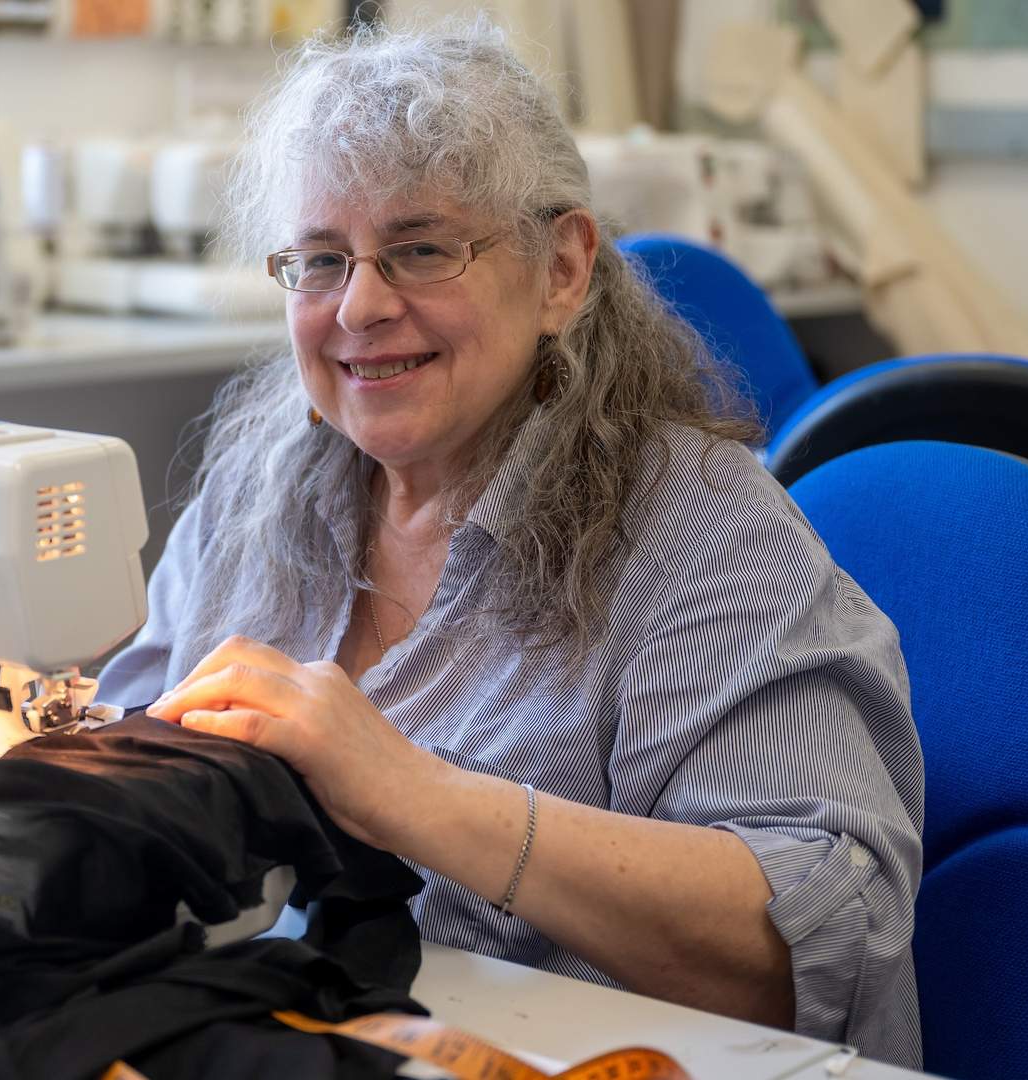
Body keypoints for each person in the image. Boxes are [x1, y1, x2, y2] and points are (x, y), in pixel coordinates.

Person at [96, 20, 925, 1067]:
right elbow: (122, 741)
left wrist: (412, 793)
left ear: (562, 270)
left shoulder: (699, 534)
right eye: (319, 261)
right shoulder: (258, 488)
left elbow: (810, 947)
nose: (360, 304)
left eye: (423, 248)